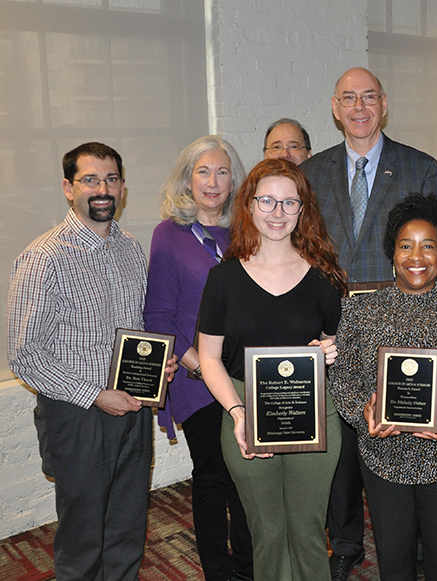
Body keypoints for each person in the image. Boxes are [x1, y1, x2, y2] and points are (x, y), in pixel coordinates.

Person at [300, 66, 437, 580]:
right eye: (348, 98)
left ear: (384, 105)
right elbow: (301, 250)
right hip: (334, 326)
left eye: (369, 97)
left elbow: (432, 248)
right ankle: (345, 543)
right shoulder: (312, 173)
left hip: (403, 326)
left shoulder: (420, 167)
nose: (359, 107)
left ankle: (420, 541)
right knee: (341, 441)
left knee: (404, 431)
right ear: (335, 108)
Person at [7, 142, 177, 581]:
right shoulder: (44, 258)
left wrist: (160, 367)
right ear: (68, 188)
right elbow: (25, 355)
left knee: (127, 524)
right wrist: (96, 395)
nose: (102, 189)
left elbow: (137, 328)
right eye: (90, 180)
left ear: (122, 188)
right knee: (83, 537)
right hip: (78, 415)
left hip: (133, 408)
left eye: (111, 179)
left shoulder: (131, 249)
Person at [330, 193, 437, 581]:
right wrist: (364, 412)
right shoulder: (359, 310)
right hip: (382, 452)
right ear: (392, 252)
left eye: (429, 246)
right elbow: (343, 378)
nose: (416, 257)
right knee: (393, 561)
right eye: (406, 246)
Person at [197, 158, 347, 580]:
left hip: (314, 412)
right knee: (265, 531)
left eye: (289, 203)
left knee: (308, 530)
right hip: (244, 411)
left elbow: (341, 346)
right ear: (249, 204)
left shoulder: (323, 277)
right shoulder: (223, 278)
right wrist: (238, 412)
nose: (277, 213)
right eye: (267, 200)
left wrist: (334, 348)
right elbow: (208, 358)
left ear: (303, 210)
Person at [144, 135, 254, 581]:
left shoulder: (250, 230)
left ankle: (250, 568)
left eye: (222, 172)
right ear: (188, 179)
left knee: (249, 478)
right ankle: (218, 571)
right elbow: (159, 315)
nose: (213, 181)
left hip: (248, 374)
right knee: (213, 478)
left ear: (234, 180)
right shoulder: (169, 235)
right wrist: (200, 366)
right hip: (196, 378)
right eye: (203, 171)